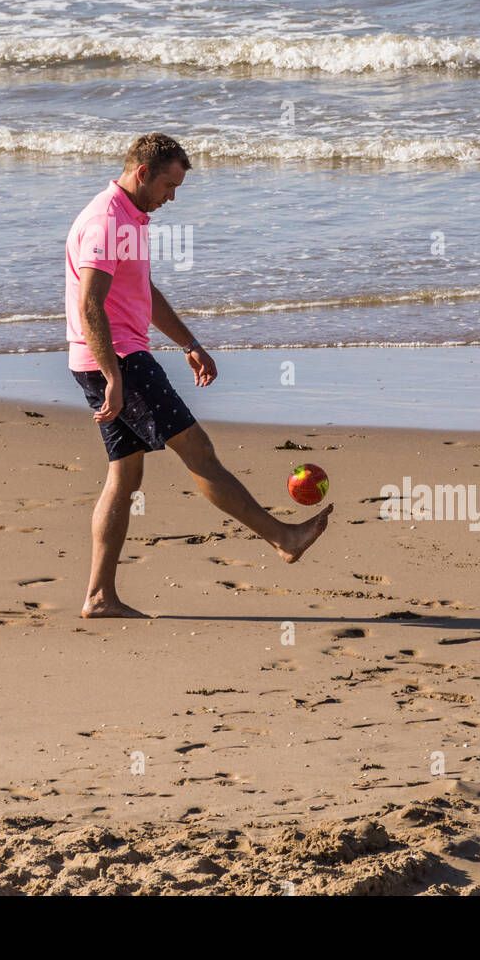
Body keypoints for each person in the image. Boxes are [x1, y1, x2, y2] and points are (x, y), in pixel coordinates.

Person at [65, 132, 331, 619]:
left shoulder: (129, 218)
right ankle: (284, 537)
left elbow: (142, 292)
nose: (172, 197)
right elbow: (90, 305)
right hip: (119, 360)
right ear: (142, 173)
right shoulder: (106, 221)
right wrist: (114, 375)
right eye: (169, 186)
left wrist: (188, 343)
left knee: (123, 477)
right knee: (199, 452)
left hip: (108, 360)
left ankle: (99, 596)